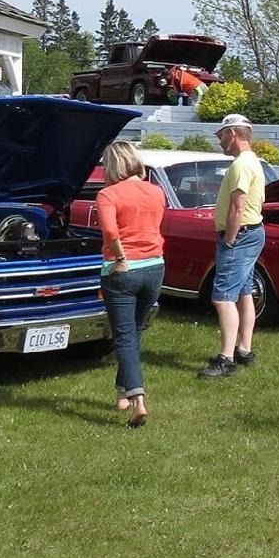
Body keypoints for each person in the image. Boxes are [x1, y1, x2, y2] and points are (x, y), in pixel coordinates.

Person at [95, 141, 166, 426]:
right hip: (155, 267)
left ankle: (138, 401)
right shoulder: (156, 191)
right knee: (134, 332)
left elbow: (111, 231)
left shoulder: (107, 194)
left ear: (113, 165)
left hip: (122, 270)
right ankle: (122, 393)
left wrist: (121, 256)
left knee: (123, 336)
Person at [199, 113, 265, 379]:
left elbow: (238, 207)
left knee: (222, 297)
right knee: (244, 292)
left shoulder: (240, 166)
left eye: (221, 135)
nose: (220, 141)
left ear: (233, 134)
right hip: (253, 232)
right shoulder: (254, 162)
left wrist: (229, 239)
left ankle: (226, 358)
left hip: (240, 236)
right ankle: (244, 349)